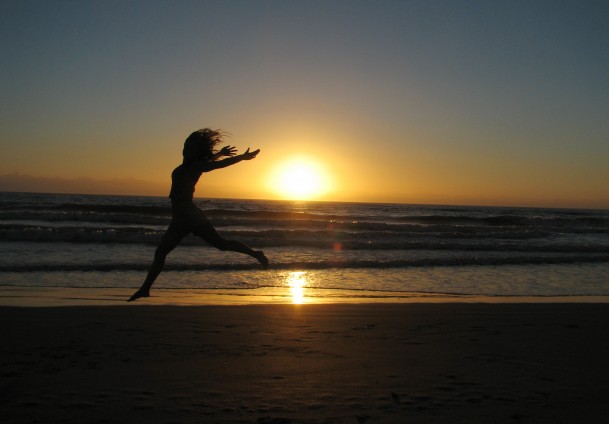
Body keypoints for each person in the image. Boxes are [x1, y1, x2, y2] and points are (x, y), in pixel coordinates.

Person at [128, 128, 268, 302]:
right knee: (161, 253)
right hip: (180, 219)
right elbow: (211, 160)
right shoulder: (189, 165)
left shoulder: (196, 166)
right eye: (185, 145)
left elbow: (216, 165)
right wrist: (219, 153)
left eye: (190, 147)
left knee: (222, 245)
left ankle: (257, 254)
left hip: (191, 217)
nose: (186, 149)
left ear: (196, 151)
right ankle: (145, 289)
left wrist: (240, 157)